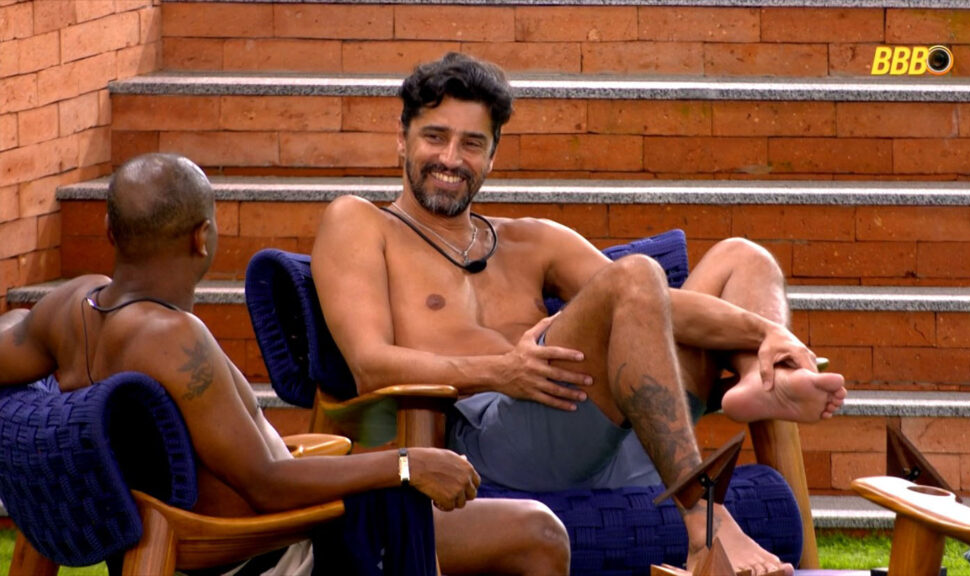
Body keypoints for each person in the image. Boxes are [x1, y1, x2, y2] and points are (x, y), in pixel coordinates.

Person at [311, 52, 848, 576]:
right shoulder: (361, 223)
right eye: (435, 137)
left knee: (743, 257)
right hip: (499, 441)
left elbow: (660, 305)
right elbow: (370, 364)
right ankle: (705, 521)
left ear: (493, 155)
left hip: (624, 432)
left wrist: (769, 333)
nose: (451, 159)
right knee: (635, 275)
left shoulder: (532, 240)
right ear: (401, 138)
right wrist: (503, 372)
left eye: (471, 143)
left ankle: (762, 376)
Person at [0, 153, 570, 576]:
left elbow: (9, 344)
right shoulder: (173, 339)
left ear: (110, 231)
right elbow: (266, 484)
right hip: (270, 549)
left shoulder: (72, 307)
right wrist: (405, 463)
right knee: (539, 534)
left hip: (230, 530)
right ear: (202, 238)